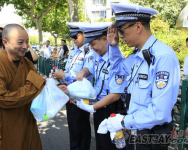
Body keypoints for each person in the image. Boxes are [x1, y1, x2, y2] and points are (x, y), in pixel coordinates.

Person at [102, 3, 180, 150]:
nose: (120, 36)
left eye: (122, 31)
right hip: (137, 132)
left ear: (138, 27)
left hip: (152, 136)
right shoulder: (139, 55)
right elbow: (118, 69)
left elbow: (160, 113)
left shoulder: (162, 56)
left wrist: (124, 122)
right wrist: (113, 46)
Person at [0, 24, 46, 150]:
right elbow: (2, 98)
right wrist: (36, 85)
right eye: (20, 42)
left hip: (28, 120)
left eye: (27, 42)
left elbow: (37, 89)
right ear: (5, 42)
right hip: (7, 123)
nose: (25, 46)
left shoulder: (28, 63)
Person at [75, 22, 129, 150]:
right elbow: (91, 69)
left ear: (105, 40)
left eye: (93, 44)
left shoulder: (116, 61)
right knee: (100, 144)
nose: (92, 48)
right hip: (100, 108)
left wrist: (91, 107)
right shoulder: (99, 57)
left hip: (112, 111)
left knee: (110, 146)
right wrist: (83, 71)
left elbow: (115, 95)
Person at [52, 22, 97, 150]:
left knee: (81, 128)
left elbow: (86, 74)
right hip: (70, 92)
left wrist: (65, 75)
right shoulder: (73, 51)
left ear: (84, 35)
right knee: (73, 127)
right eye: (72, 37)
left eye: (76, 36)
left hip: (81, 95)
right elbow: (68, 70)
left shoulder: (89, 51)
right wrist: (61, 77)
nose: (73, 39)